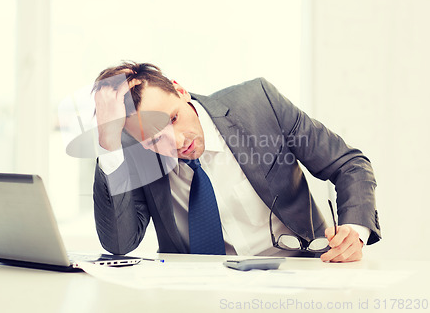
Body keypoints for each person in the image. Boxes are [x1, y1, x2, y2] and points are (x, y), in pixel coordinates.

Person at [92, 61, 381, 263]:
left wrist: (354, 233)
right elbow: (120, 243)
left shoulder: (258, 103)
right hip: (196, 294)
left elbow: (348, 164)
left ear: (180, 91)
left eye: (174, 119)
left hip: (296, 272)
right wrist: (108, 143)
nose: (177, 142)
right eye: (155, 139)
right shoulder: (135, 152)